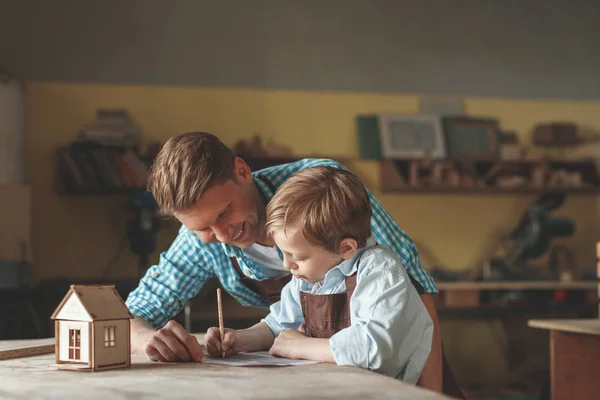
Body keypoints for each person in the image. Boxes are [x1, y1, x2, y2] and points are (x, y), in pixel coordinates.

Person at [124, 132, 443, 391]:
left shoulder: (323, 195)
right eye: (203, 228)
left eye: (223, 213)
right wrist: (149, 340)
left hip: (403, 375)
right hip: (329, 383)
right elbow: (128, 314)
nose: (221, 236)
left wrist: (429, 395)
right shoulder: (202, 242)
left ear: (242, 171)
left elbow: (416, 293)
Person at [204, 166, 433, 384]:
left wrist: (301, 347)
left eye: (299, 257)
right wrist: (239, 340)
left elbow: (375, 349)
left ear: (346, 249)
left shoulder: (379, 271)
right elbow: (280, 325)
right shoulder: (308, 277)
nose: (287, 265)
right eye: (283, 253)